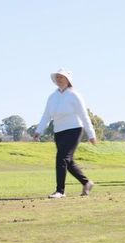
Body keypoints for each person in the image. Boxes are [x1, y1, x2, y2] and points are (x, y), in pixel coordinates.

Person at [34, 68, 96, 198]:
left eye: (61, 77)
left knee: (61, 158)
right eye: (57, 77)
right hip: (59, 131)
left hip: (74, 129)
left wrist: (91, 134)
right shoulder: (52, 97)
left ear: (68, 79)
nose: (58, 79)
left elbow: (84, 116)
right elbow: (46, 115)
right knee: (68, 161)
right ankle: (86, 182)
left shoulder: (74, 95)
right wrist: (38, 131)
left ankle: (60, 191)